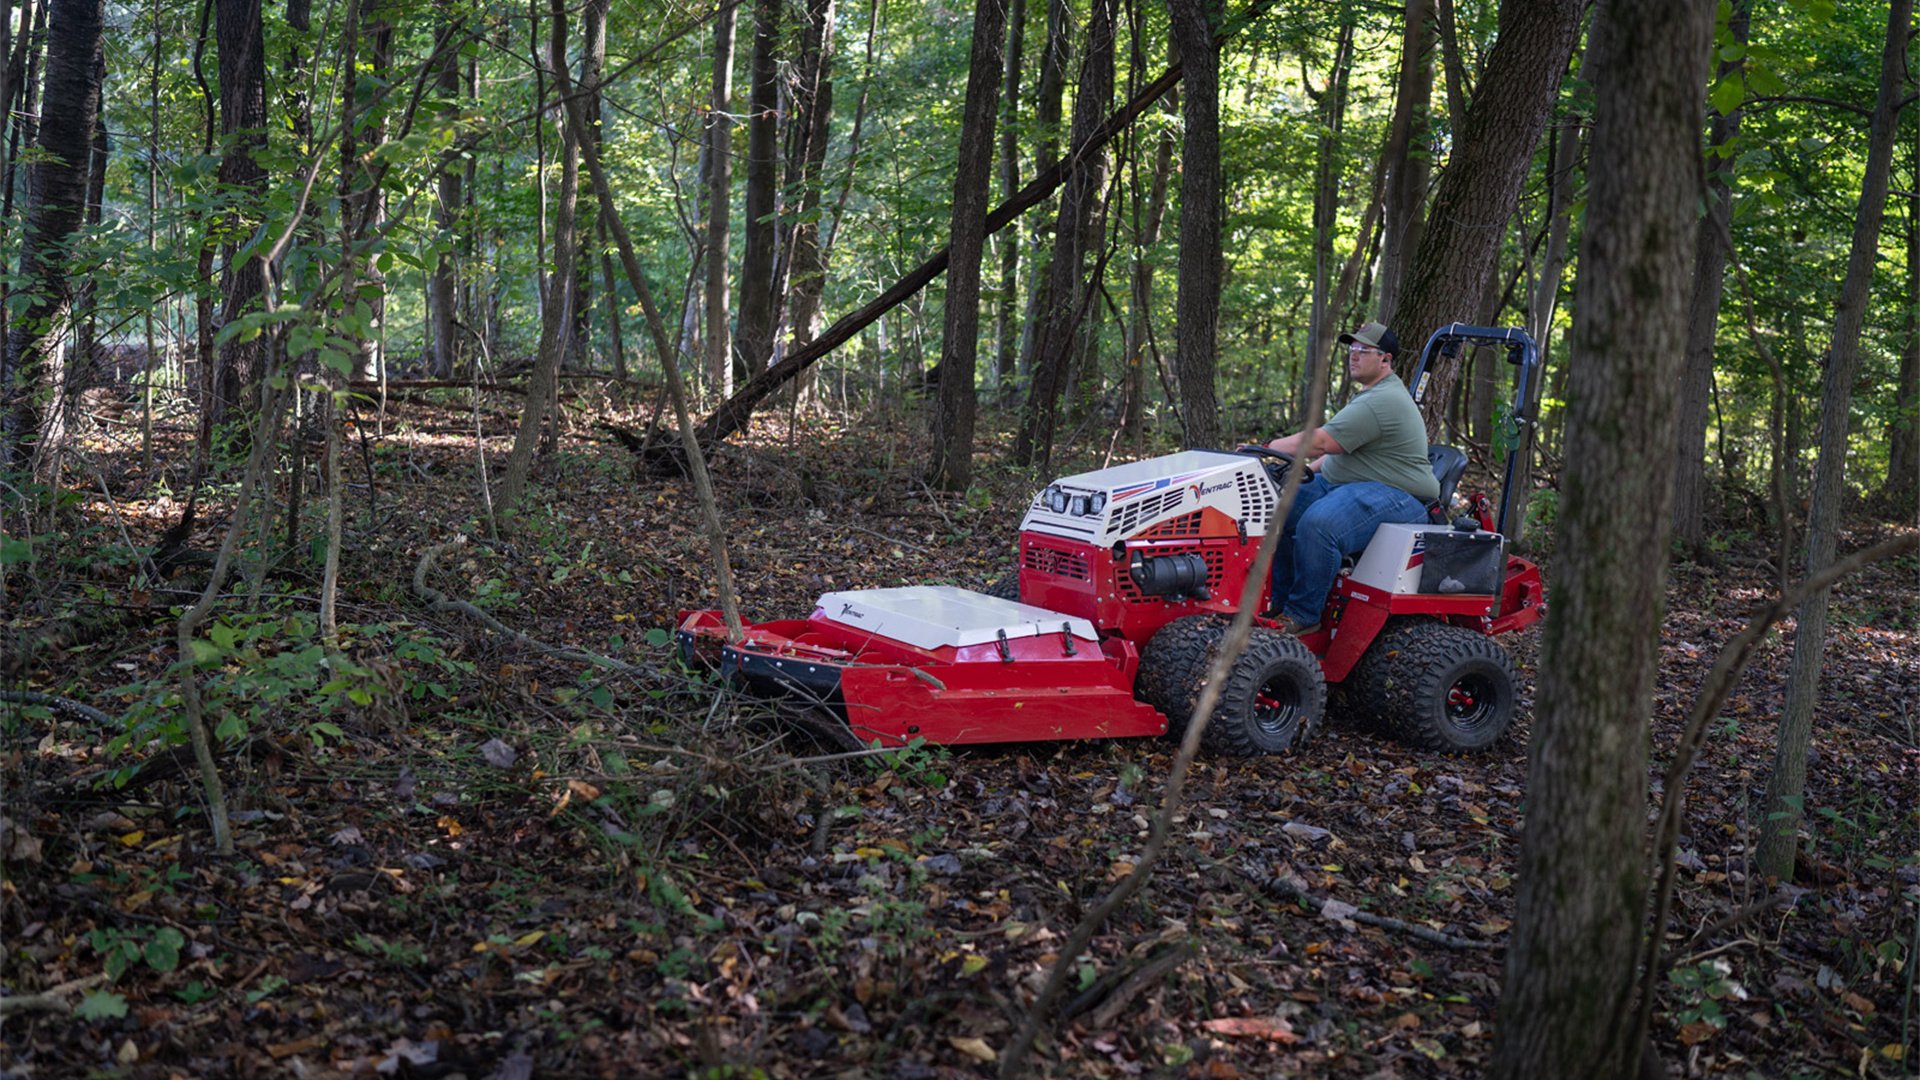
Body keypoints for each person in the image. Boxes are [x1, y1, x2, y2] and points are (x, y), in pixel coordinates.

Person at [1262, 321, 1438, 633]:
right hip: (1350, 484)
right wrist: (1294, 474)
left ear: (1385, 359)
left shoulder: (1383, 400)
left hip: (1398, 496)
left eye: (1363, 351)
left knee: (1319, 524)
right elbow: (1334, 453)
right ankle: (1278, 602)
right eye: (1352, 350)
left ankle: (1302, 616)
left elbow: (1321, 442)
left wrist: (1266, 449)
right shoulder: (1369, 395)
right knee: (1279, 506)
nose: (1353, 356)